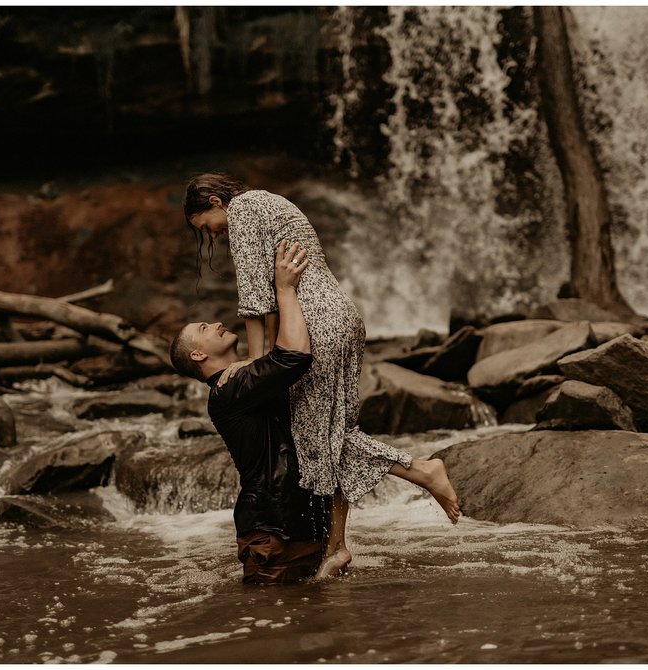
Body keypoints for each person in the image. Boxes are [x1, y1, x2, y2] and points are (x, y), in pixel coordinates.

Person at [183, 173, 460, 579]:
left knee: (320, 437)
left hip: (313, 324)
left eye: (205, 225)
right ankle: (338, 547)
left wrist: (258, 365)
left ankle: (420, 472)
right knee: (332, 432)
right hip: (341, 316)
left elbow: (257, 299)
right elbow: (270, 296)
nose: (212, 233)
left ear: (213, 201)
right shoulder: (270, 202)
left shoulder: (241, 210)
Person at [169, 240, 329, 584]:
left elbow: (275, 354)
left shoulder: (243, 379)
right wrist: (285, 288)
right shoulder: (229, 389)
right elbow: (293, 356)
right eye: (203, 329)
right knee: (264, 626)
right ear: (198, 356)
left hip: (298, 526)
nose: (214, 324)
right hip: (272, 531)